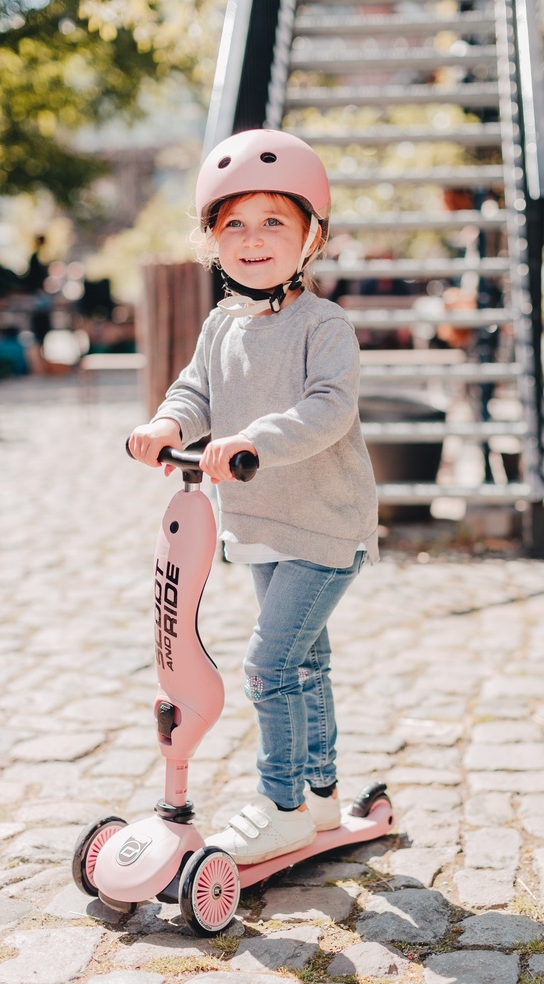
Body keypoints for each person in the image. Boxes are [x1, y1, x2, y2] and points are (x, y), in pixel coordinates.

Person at [128, 129, 379, 865]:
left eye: (273, 220)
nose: (253, 238)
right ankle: (322, 793)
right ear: (212, 240)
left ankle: (282, 805)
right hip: (259, 524)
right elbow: (195, 392)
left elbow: (328, 408)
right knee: (306, 665)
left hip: (324, 526)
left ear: (311, 237)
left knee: (270, 667)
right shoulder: (220, 325)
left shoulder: (324, 325)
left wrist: (254, 441)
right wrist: (168, 424)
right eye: (233, 223)